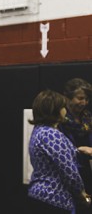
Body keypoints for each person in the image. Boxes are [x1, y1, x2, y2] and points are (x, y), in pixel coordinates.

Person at [28, 90, 91, 214]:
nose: (65, 110)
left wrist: (76, 151)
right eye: (63, 106)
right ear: (55, 110)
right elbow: (69, 171)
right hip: (53, 198)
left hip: (39, 195)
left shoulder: (39, 130)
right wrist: (82, 194)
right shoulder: (52, 134)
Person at [59, 78, 92, 214]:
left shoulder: (88, 117)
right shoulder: (59, 119)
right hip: (68, 174)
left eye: (87, 99)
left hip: (87, 172)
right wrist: (79, 151)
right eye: (80, 98)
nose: (84, 103)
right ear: (67, 98)